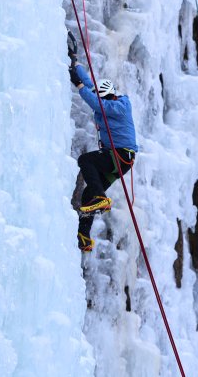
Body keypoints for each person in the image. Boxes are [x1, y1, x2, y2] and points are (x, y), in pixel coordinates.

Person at [68, 58, 138, 252]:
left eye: (104, 98)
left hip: (121, 155)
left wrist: (79, 86)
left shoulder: (120, 106)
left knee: (85, 160)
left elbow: (100, 105)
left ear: (111, 96)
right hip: (117, 160)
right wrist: (75, 64)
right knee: (88, 193)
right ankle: (84, 237)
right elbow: (91, 87)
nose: (102, 100)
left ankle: (101, 197)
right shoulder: (105, 99)